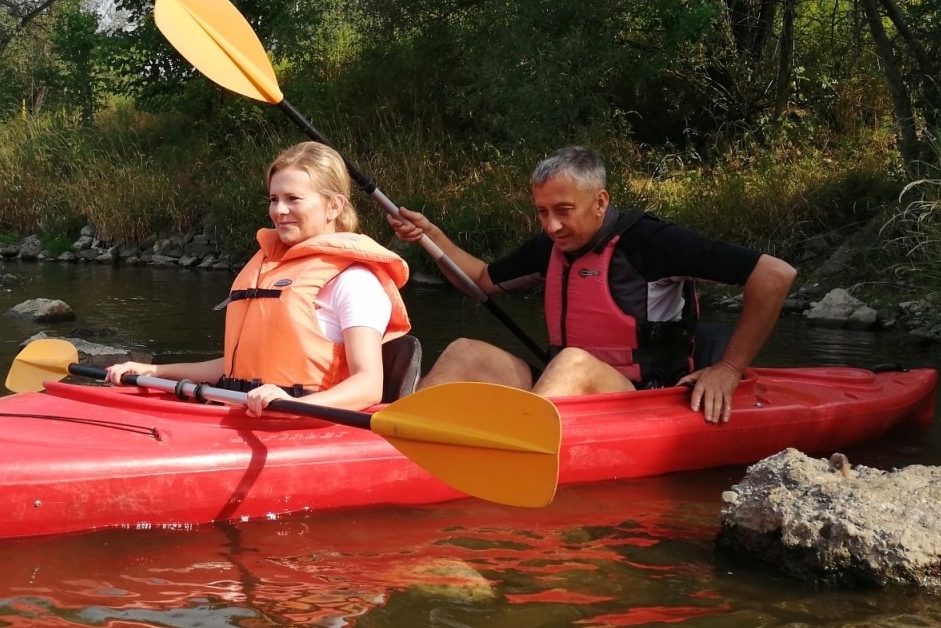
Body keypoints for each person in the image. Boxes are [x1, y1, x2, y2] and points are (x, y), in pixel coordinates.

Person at [389, 145, 796, 424]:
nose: (551, 225)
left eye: (564, 210)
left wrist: (728, 369)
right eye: (542, 212)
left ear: (600, 202)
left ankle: (516, 444)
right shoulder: (551, 244)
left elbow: (775, 275)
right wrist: (432, 236)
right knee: (466, 350)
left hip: (643, 399)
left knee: (573, 361)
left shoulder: (652, 243)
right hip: (565, 393)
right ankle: (400, 436)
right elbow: (480, 279)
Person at [107, 141, 412, 415]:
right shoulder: (269, 268)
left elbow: (368, 385)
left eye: (293, 198)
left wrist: (292, 403)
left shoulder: (354, 282)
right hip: (242, 413)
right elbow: (234, 368)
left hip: (301, 427)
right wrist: (154, 370)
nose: (279, 211)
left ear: (334, 205)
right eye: (273, 199)